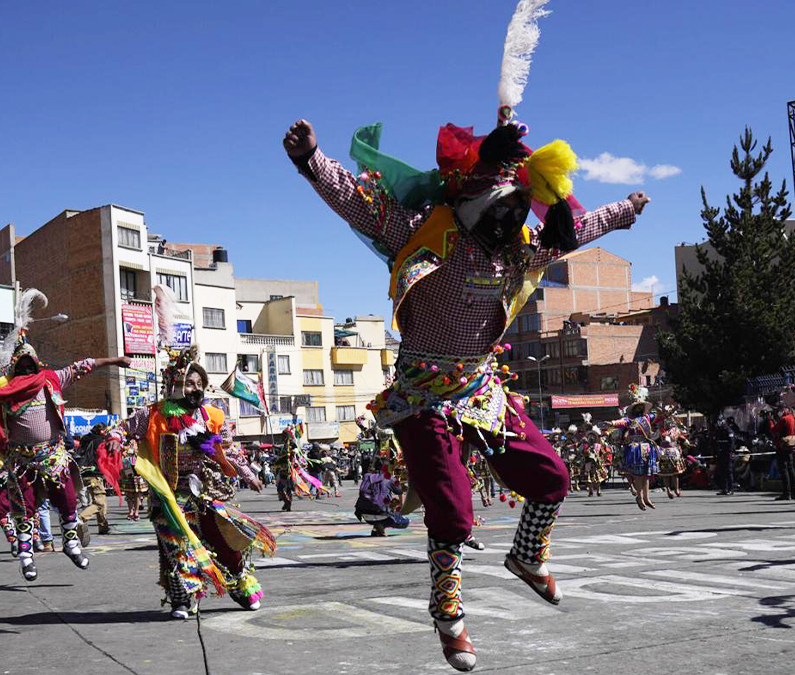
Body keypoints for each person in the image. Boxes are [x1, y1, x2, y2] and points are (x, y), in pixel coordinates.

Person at [285, 7, 649, 667]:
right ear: (471, 199)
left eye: (519, 209)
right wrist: (313, 161)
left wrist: (622, 212)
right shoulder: (425, 232)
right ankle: (448, 611)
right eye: (503, 208)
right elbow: (359, 202)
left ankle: (527, 555)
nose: (513, 220)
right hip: (423, 393)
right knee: (453, 511)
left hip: (481, 389)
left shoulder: (518, 252)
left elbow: (575, 231)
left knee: (552, 477)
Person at [107, 286, 275, 619]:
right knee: (176, 547)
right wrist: (114, 439)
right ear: (175, 384)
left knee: (224, 541)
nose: (195, 388)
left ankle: (240, 587)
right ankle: (184, 599)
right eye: (189, 382)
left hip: (206, 491)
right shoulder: (153, 414)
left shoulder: (212, 415)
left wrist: (248, 474)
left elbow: (229, 451)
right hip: (169, 495)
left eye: (199, 383)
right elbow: (121, 428)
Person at [0, 288, 131, 581]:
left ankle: (71, 544)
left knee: (68, 500)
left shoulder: (50, 380)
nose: (26, 365)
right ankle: (26, 556)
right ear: (14, 366)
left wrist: (114, 360)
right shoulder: (3, 388)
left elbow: (82, 366)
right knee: (24, 508)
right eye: (21, 362)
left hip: (53, 455)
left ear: (37, 363)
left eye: (30, 361)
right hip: (21, 460)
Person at [355, 456, 410, 536]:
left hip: (365, 515)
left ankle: (375, 528)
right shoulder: (389, 478)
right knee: (405, 521)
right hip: (382, 515)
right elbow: (400, 491)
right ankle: (381, 526)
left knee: (377, 503)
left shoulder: (366, 476)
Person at [77, 423, 113, 535]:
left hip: (84, 472)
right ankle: (79, 519)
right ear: (101, 431)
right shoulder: (99, 441)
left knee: (101, 500)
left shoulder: (85, 439)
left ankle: (103, 527)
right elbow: (104, 457)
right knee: (99, 502)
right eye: (105, 431)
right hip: (94, 473)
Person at [766, 398, 795, 501]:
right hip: (791, 444)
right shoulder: (793, 418)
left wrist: (770, 421)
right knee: (790, 468)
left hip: (782, 445)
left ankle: (786, 493)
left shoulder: (784, 419)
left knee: (783, 469)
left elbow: (773, 430)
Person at [657, 406, 689, 499]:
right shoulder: (661, 430)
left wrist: (687, 443)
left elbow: (682, 437)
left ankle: (676, 489)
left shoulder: (675, 429)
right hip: (664, 452)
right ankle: (668, 490)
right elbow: (655, 437)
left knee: (675, 472)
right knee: (665, 473)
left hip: (674, 451)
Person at [119, 440, 149, 521]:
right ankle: (130, 511)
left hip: (137, 473)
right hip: (127, 471)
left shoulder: (139, 443)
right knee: (129, 494)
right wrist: (124, 453)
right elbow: (122, 457)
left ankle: (136, 512)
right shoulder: (124, 442)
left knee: (137, 494)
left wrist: (135, 451)